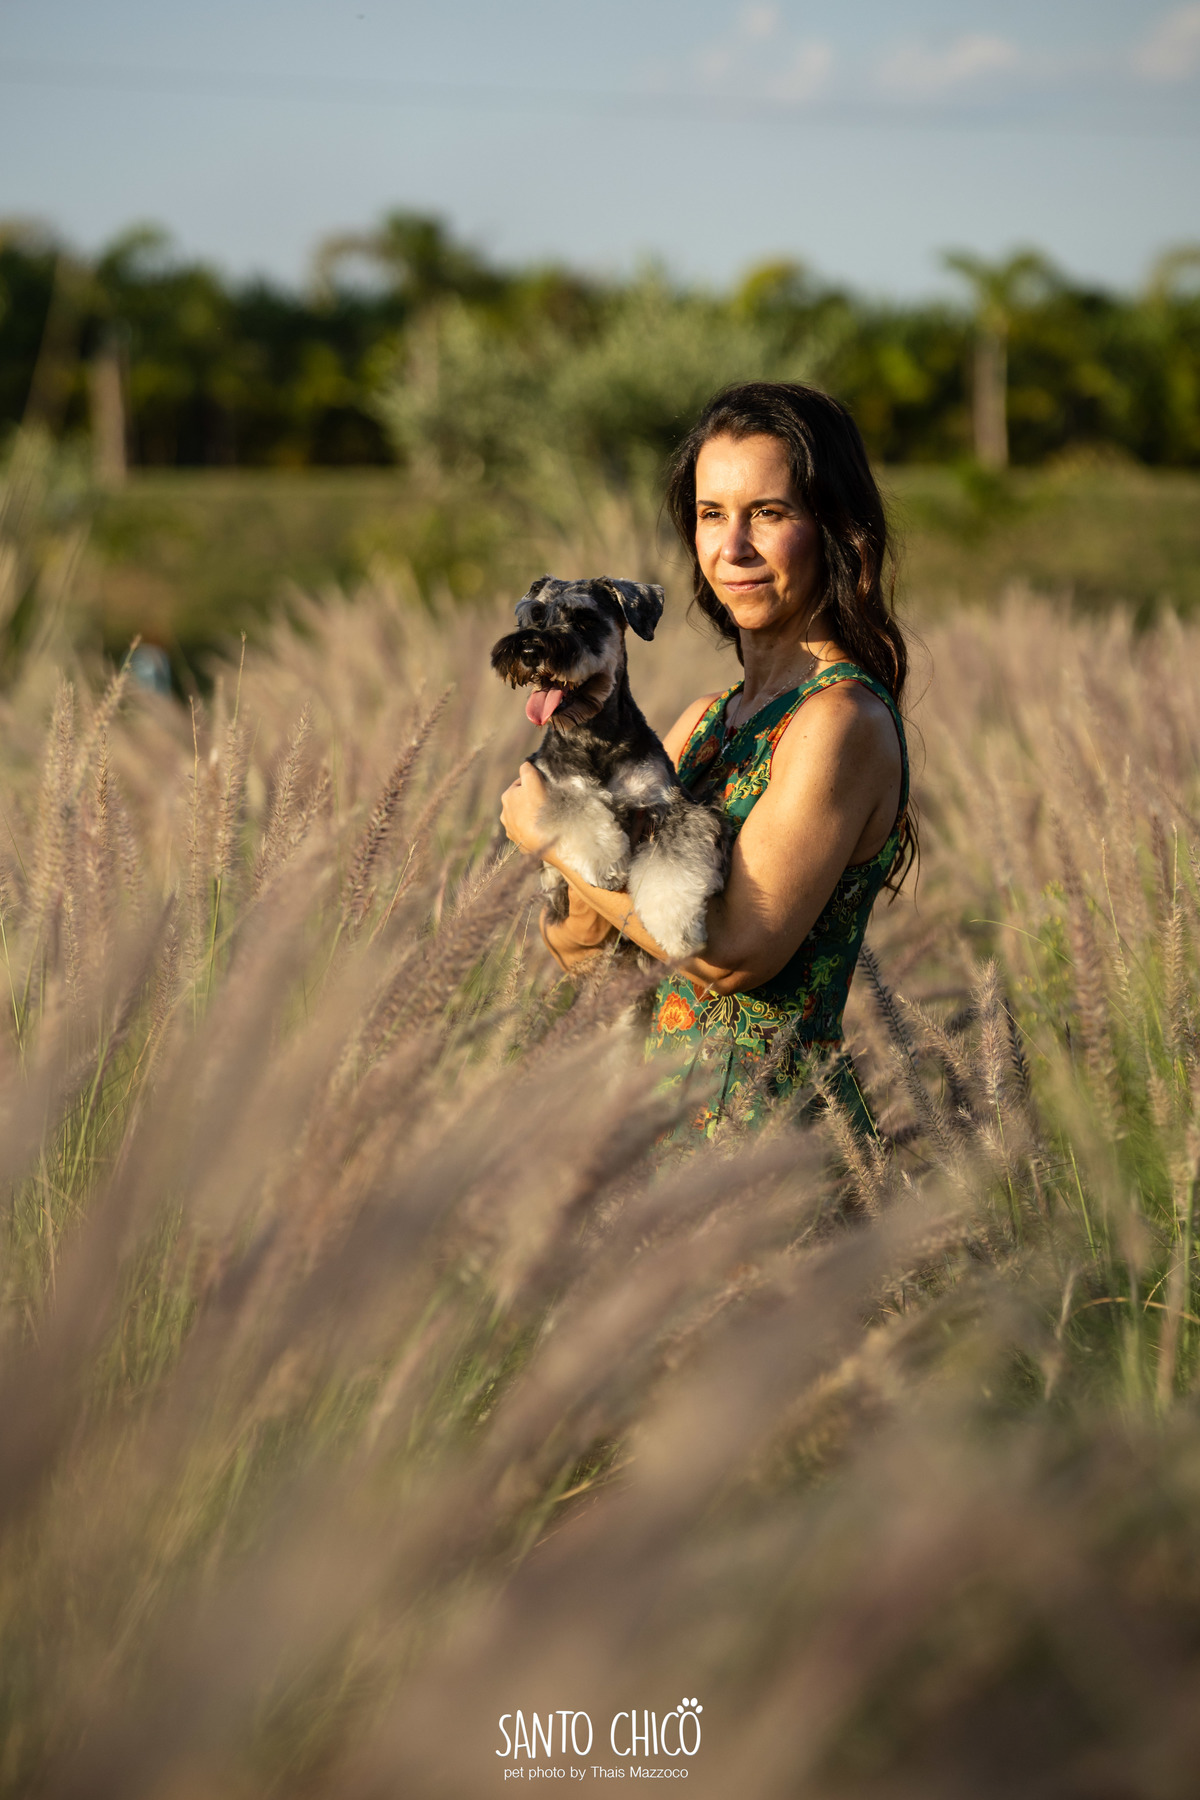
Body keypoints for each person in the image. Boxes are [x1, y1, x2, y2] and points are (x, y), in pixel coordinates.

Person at [499, 381, 913, 1138]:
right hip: (653, 1137)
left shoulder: (838, 721)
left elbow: (732, 958)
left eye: (770, 513)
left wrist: (550, 838)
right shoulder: (699, 726)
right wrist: (574, 895)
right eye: (711, 514)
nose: (733, 548)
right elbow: (592, 962)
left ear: (835, 527)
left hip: (770, 1145)